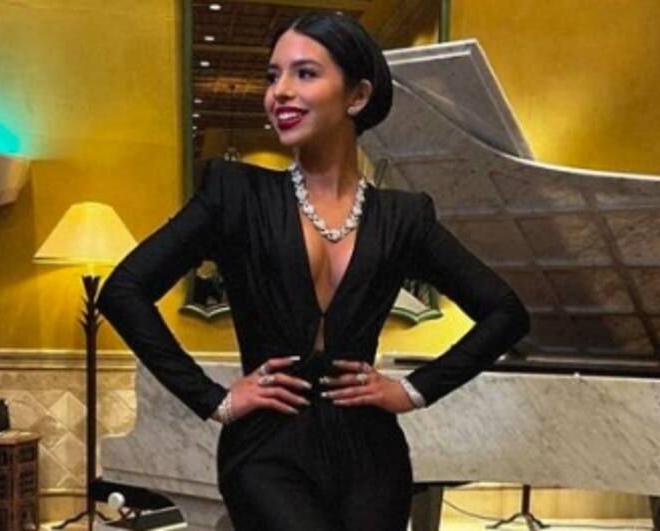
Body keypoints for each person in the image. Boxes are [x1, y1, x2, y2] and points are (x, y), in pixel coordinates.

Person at [97, 11, 530, 531]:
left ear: (357, 96)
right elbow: (124, 290)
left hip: (372, 455)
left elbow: (506, 313)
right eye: (272, 76)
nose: (279, 91)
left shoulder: (404, 216)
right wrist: (213, 399)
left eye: (304, 73)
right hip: (266, 450)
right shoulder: (235, 194)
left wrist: (412, 390)